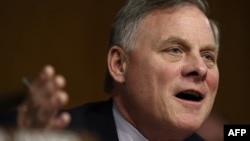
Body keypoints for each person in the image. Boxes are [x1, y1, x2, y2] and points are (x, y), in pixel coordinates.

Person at [4, 0, 221, 140]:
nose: (200, 68)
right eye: (174, 50)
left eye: (208, 56)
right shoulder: (56, 135)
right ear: (119, 65)